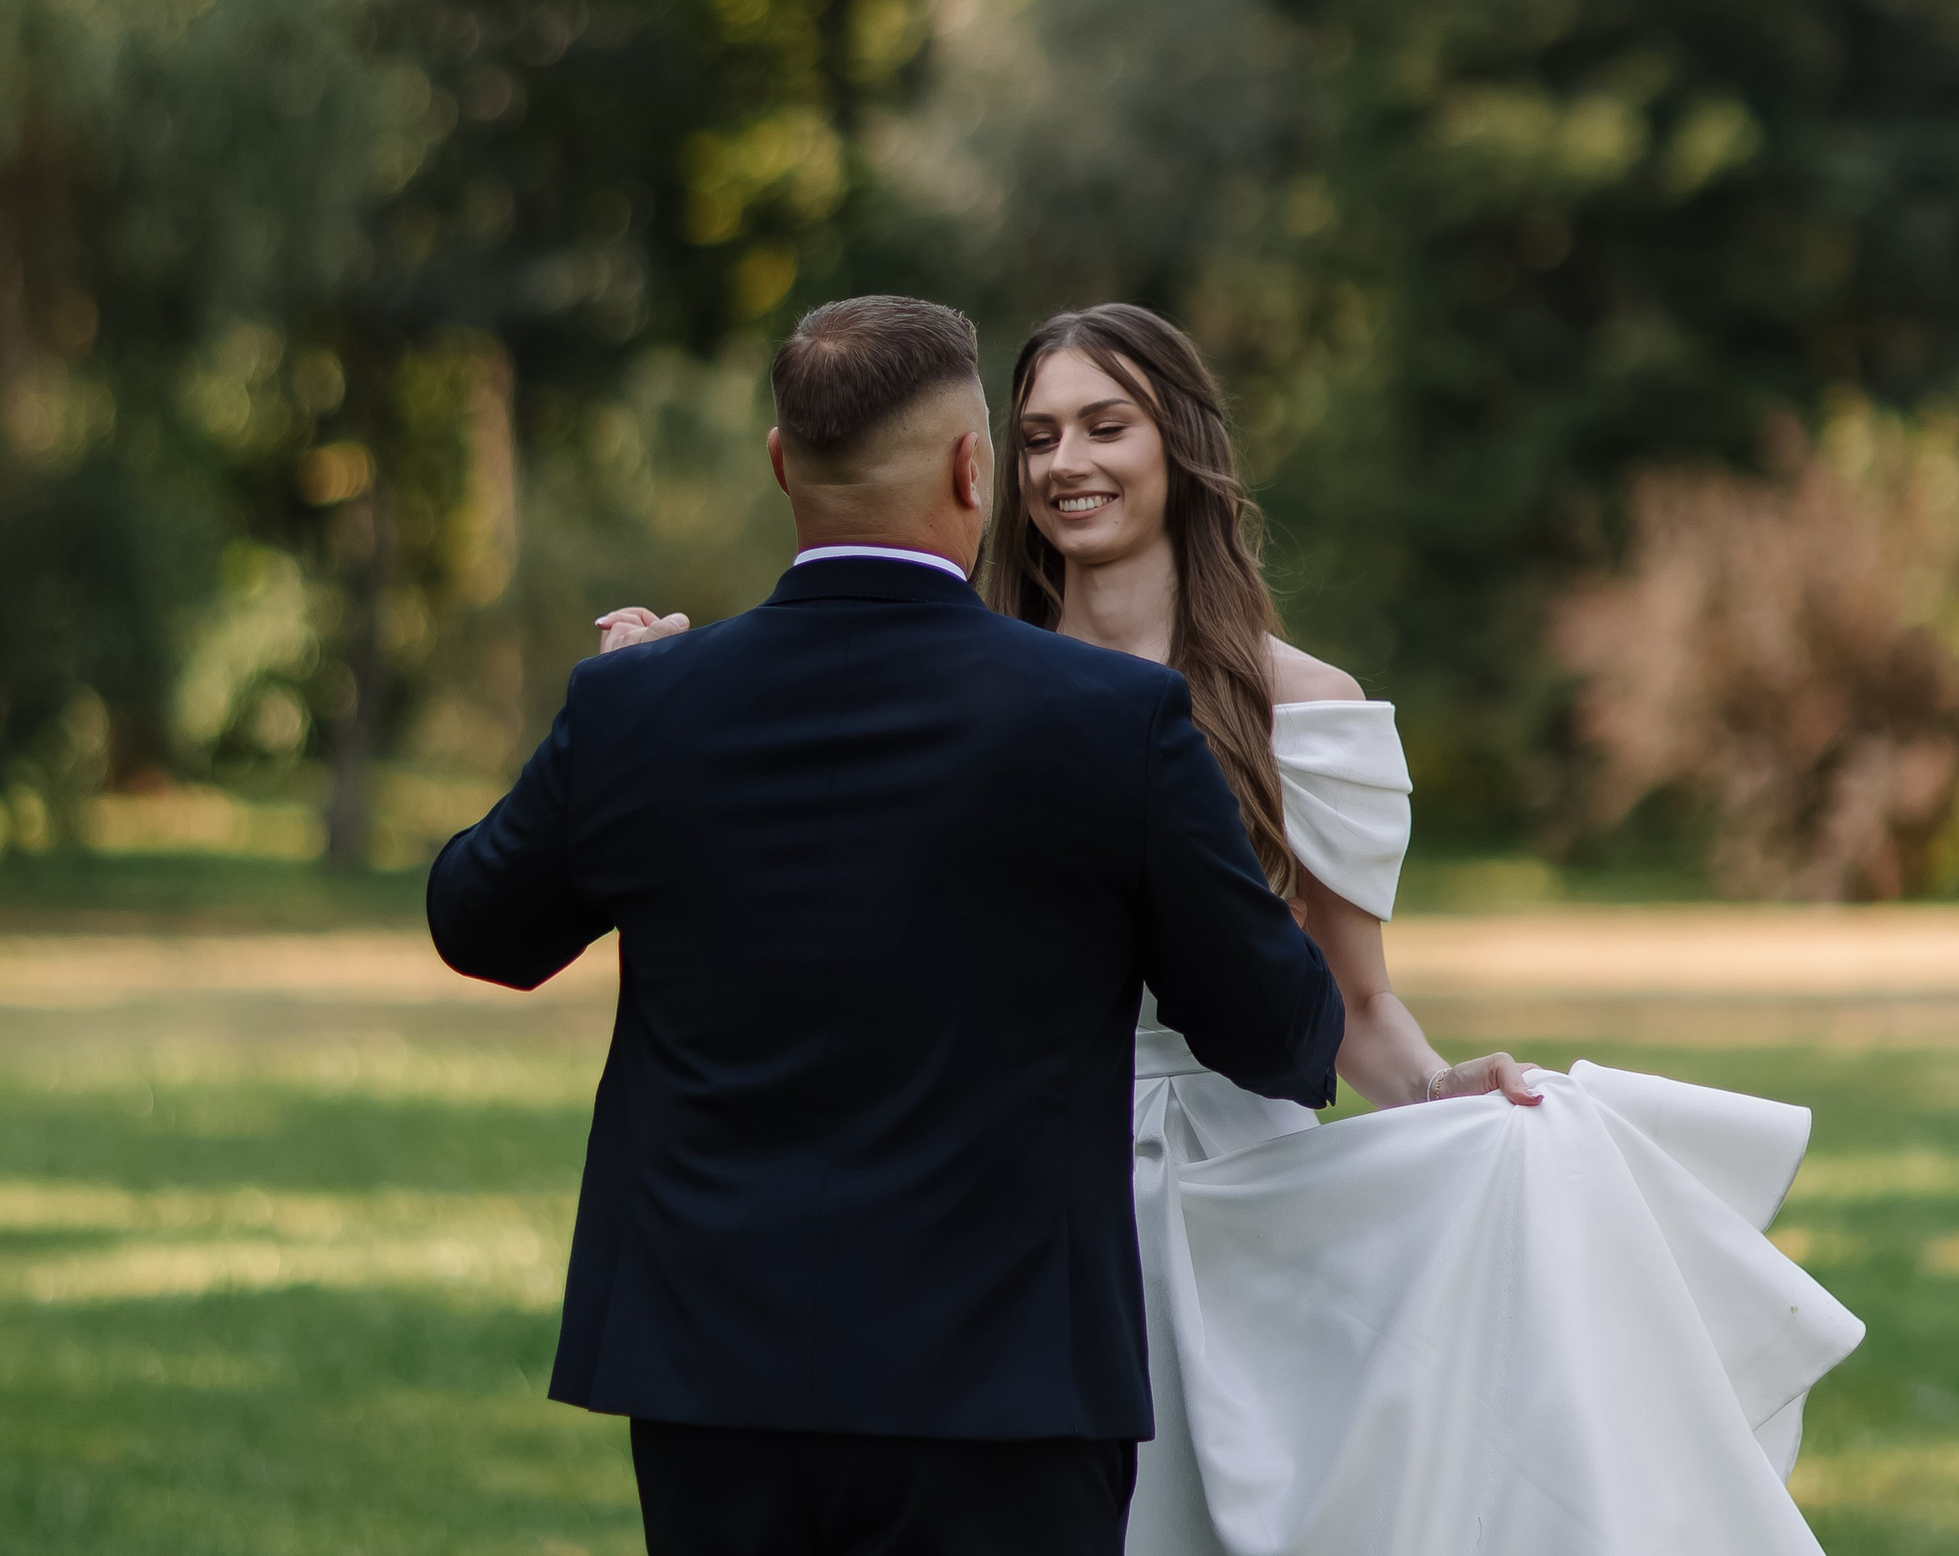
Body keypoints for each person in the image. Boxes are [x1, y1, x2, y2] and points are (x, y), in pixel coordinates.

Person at [606, 302, 1869, 1556]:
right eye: (1037, 436)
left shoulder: (1304, 709)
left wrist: (1435, 1086)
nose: (1066, 465)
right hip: (1012, 1195)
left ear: (1181, 446)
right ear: (985, 464)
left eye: (1106, 426)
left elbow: (1352, 1002)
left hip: (1236, 1199)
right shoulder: (976, 690)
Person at [428, 295, 1345, 1556]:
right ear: (976, 472)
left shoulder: (640, 709)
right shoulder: (1113, 721)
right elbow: (1278, 1033)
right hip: (1004, 1384)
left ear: (777, 466)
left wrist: (614, 715)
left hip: (712, 1379)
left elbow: (479, 924)